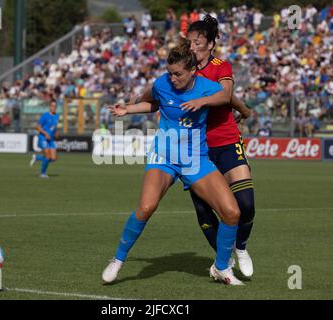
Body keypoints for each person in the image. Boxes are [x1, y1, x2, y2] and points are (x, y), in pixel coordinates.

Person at [102, 40, 244, 286]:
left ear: (192, 72)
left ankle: (221, 267)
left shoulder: (207, 87)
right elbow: (152, 102)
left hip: (195, 159)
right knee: (146, 207)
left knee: (232, 213)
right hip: (164, 155)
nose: (172, 78)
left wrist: (203, 102)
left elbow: (226, 96)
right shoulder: (161, 83)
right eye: (170, 73)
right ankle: (117, 260)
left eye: (178, 74)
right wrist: (129, 109)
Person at [178, 15, 256, 277]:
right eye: (189, 42)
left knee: (246, 203)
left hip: (226, 140)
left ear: (210, 44)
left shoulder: (221, 65)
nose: (191, 47)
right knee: (203, 211)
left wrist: (206, 103)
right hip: (196, 147)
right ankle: (224, 260)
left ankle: (241, 247)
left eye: (197, 42)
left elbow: (225, 96)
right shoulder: (184, 70)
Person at [30, 99, 59, 178]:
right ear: (49, 107)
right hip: (43, 138)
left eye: (55, 106)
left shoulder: (57, 115)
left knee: (54, 158)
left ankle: (37, 158)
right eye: (52, 106)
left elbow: (55, 126)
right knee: (48, 156)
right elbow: (37, 127)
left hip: (51, 139)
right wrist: (45, 134)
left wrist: (56, 132)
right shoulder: (45, 115)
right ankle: (43, 173)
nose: (54, 108)